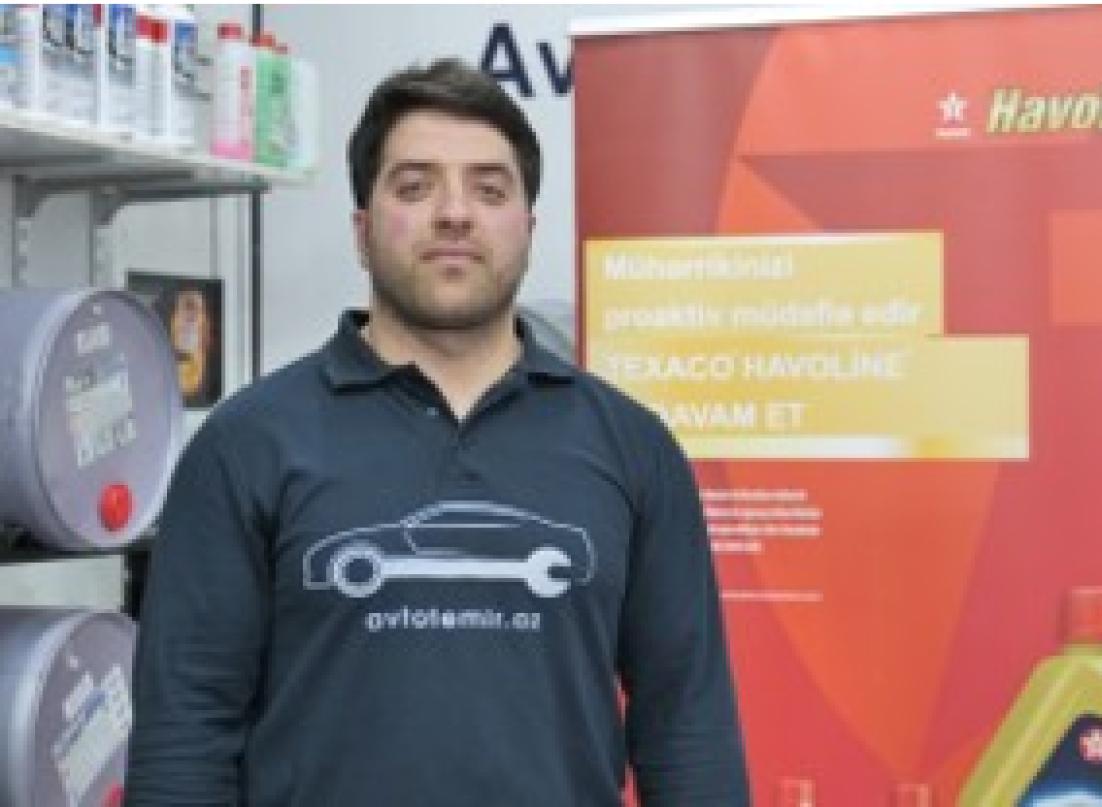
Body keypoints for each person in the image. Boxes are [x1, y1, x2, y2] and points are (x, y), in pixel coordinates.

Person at [125, 58, 749, 806]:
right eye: (415, 187)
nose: (455, 214)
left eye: (489, 189)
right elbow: (184, 734)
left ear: (527, 229)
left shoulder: (632, 447)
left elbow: (688, 728)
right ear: (362, 231)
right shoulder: (246, 445)